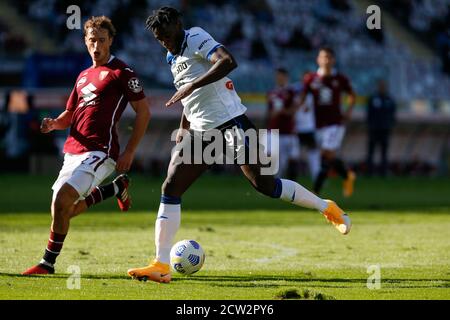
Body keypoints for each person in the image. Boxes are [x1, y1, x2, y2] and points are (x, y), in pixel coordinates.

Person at [127, 7, 351, 284]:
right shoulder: (172, 56)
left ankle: (326, 207)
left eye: (167, 35)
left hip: (232, 123)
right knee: (170, 187)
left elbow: (228, 62)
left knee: (266, 186)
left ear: (178, 25)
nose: (165, 42)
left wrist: (191, 87)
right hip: (202, 133)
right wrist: (184, 129)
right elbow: (190, 97)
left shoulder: (195, 37)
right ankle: (160, 264)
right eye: (160, 39)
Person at [22, 16, 151, 275]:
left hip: (101, 151)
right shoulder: (82, 76)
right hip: (73, 151)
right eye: (92, 40)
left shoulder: (122, 72)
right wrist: (54, 124)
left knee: (63, 199)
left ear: (111, 41)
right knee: (62, 210)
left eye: (102, 40)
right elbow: (70, 114)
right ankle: (114, 189)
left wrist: (130, 151)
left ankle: (47, 264)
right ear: (85, 41)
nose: (96, 46)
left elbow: (144, 112)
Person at [297, 47, 356, 197]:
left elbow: (351, 95)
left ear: (333, 60)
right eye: (324, 57)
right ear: (318, 59)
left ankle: (315, 190)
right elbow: (303, 95)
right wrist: (300, 107)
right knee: (326, 157)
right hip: (319, 124)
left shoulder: (340, 79)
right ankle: (347, 175)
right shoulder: (311, 78)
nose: (326, 60)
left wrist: (348, 111)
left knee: (325, 153)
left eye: (329, 57)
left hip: (335, 123)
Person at [265, 67, 298, 177]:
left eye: (281, 76)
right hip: (272, 129)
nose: (279, 78)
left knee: (281, 162)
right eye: (277, 76)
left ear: (286, 77)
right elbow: (269, 112)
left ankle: (275, 185)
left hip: (286, 130)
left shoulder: (291, 92)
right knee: (268, 156)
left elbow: (294, 110)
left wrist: (281, 112)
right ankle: (266, 183)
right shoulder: (271, 92)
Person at [366, 80, 396, 176]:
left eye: (384, 86)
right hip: (374, 129)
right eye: (381, 86)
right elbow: (369, 113)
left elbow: (393, 114)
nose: (382, 88)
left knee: (384, 152)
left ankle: (383, 172)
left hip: (385, 129)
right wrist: (370, 124)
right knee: (371, 151)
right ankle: (369, 172)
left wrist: (390, 124)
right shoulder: (373, 98)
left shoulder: (390, 99)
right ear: (378, 87)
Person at [294, 73, 320, 181]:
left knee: (313, 154)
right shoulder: (295, 92)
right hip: (297, 128)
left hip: (309, 127)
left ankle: (316, 177)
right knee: (294, 154)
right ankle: (292, 178)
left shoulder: (313, 95)